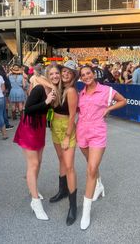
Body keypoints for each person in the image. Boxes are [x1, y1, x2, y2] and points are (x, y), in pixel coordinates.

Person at [76, 65, 126, 230]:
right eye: (83, 75)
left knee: (91, 169)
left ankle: (86, 212)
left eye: (88, 73)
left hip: (98, 133)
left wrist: (109, 108)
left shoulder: (106, 90)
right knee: (92, 165)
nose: (86, 76)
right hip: (81, 133)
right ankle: (99, 185)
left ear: (93, 74)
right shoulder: (80, 94)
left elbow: (123, 100)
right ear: (81, 78)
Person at [13, 75, 56, 220]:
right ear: (47, 76)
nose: (56, 77)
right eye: (52, 74)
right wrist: (46, 101)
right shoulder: (39, 88)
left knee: (39, 161)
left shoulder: (53, 89)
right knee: (34, 164)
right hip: (30, 127)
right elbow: (28, 109)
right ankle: (35, 202)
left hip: (39, 128)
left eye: (58, 74)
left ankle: (33, 189)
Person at [48, 61, 78, 226]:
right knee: (61, 160)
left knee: (69, 166)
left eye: (69, 72)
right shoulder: (59, 89)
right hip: (55, 127)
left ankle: (73, 206)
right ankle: (63, 191)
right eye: (64, 71)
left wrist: (67, 136)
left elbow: (73, 115)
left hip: (67, 128)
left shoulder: (71, 91)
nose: (65, 74)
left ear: (73, 76)